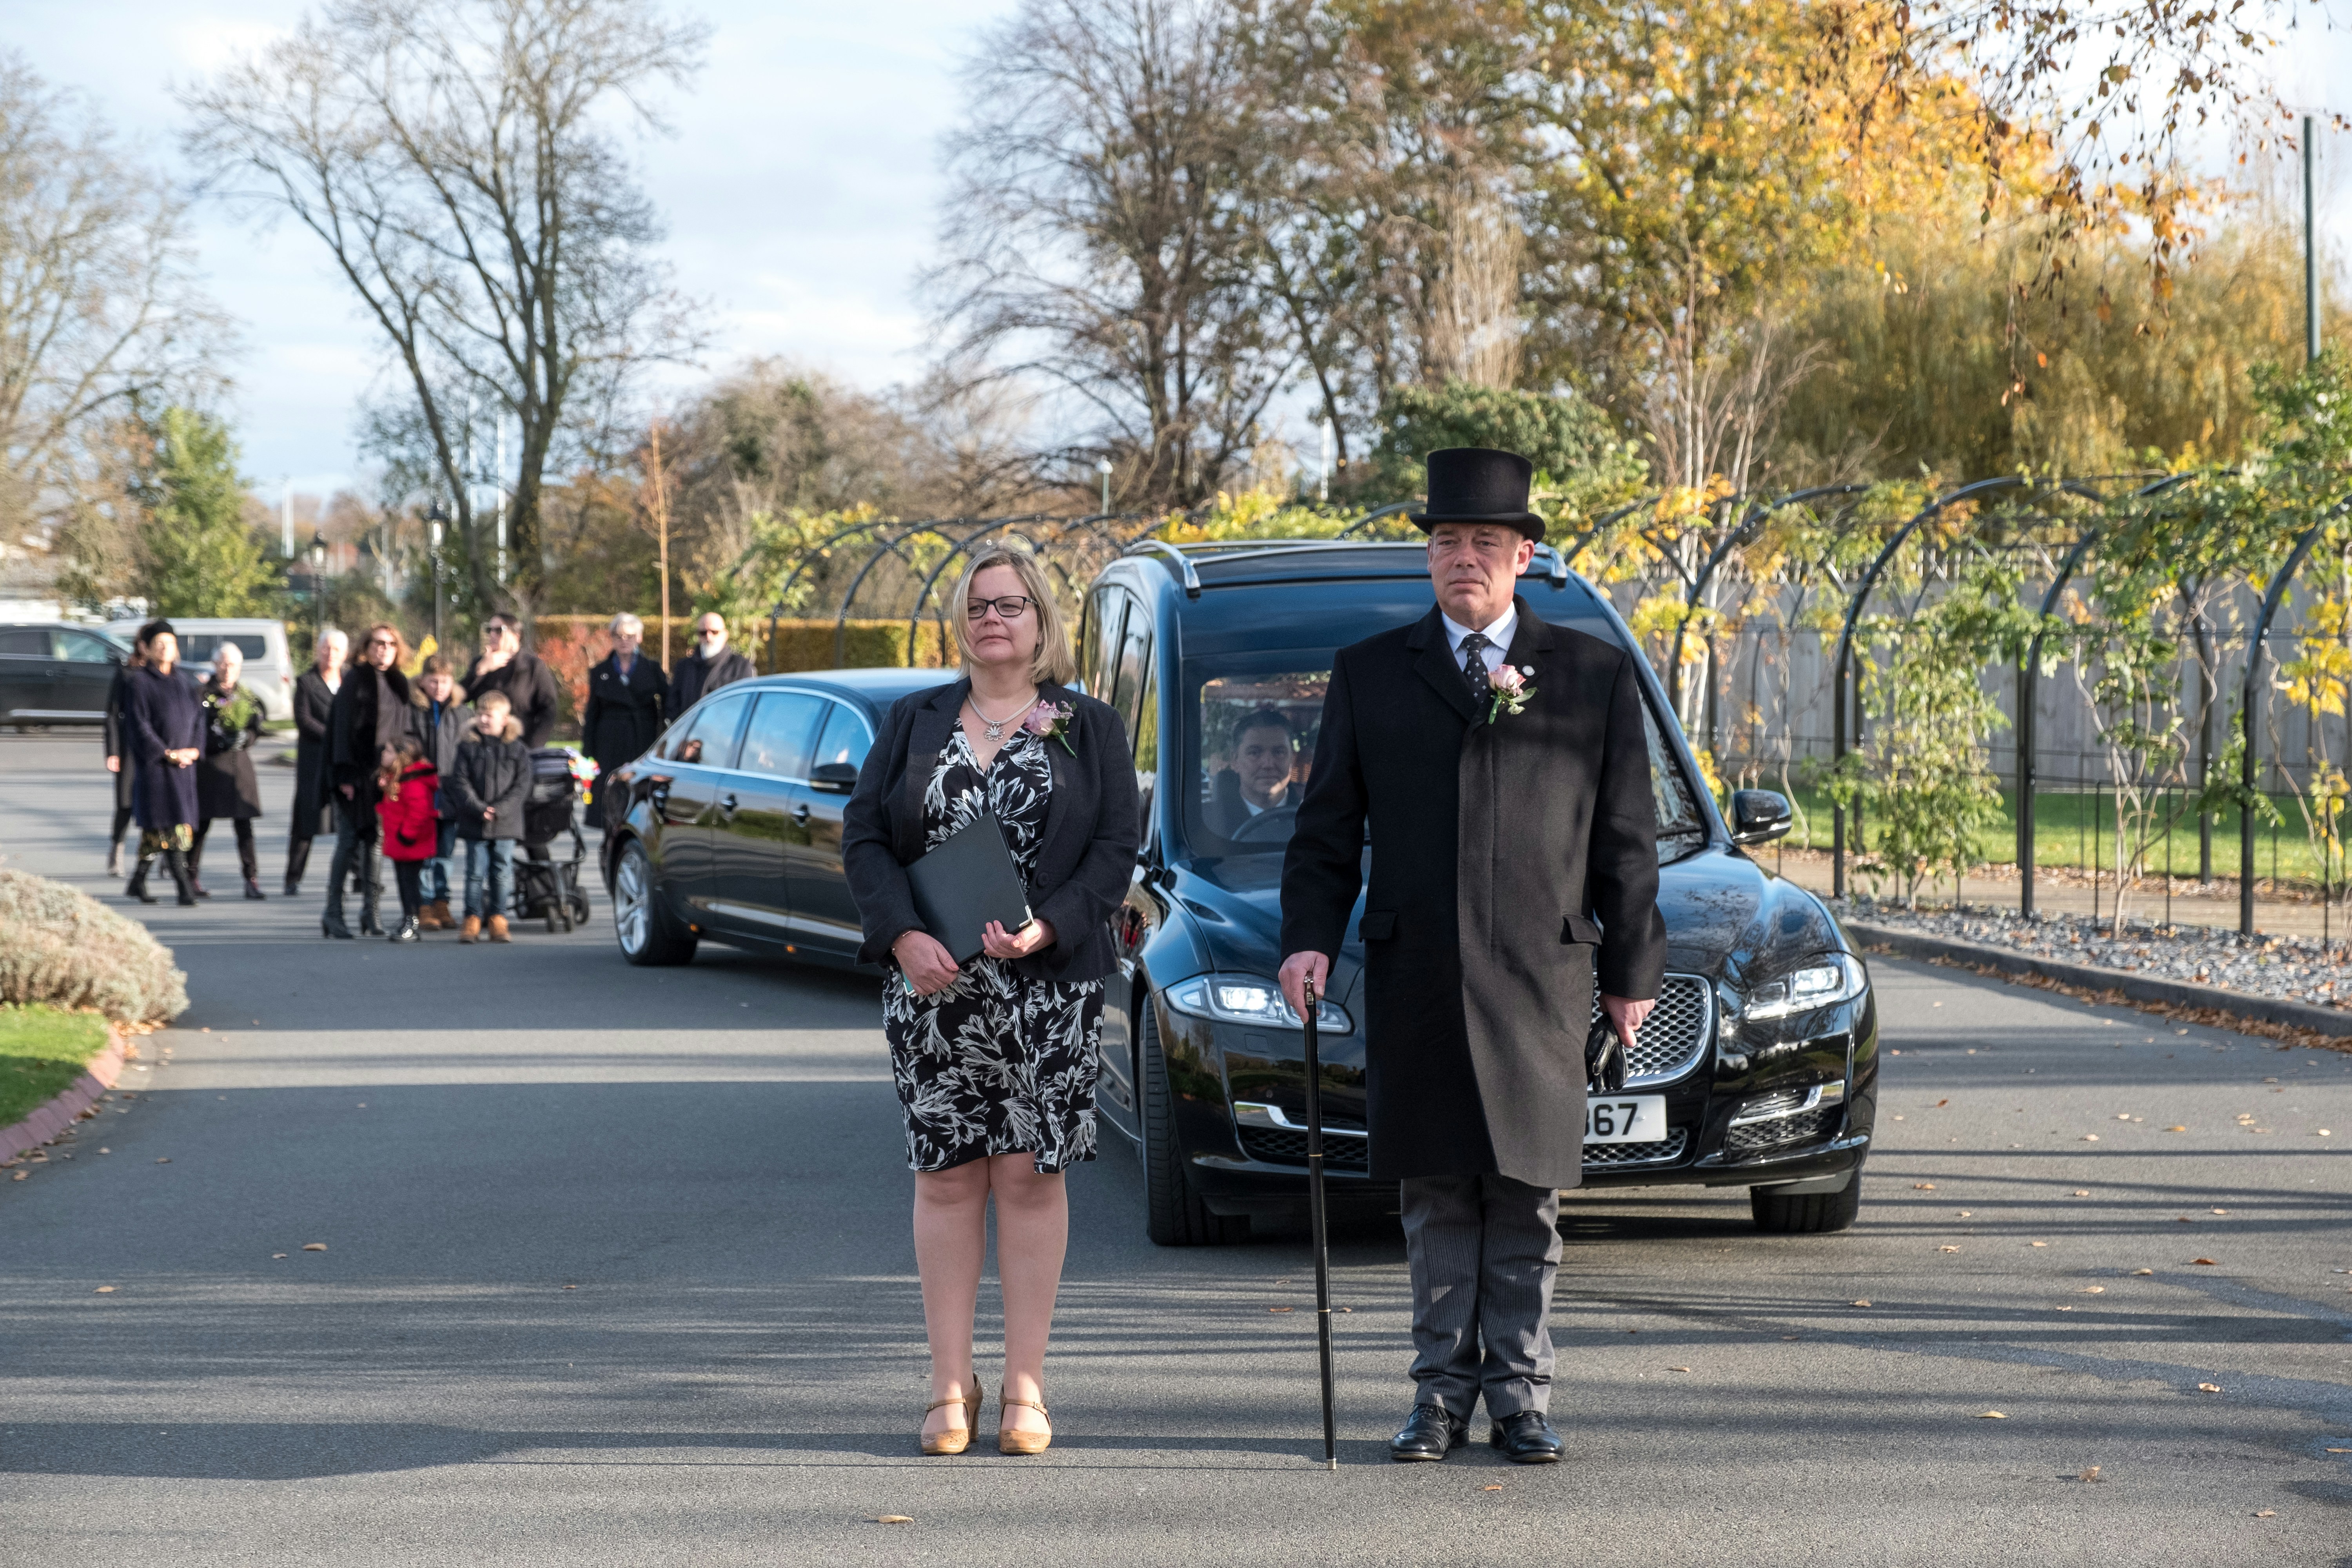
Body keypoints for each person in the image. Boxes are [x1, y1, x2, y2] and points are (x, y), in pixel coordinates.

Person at [1277, 447, 1666, 1466]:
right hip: (1418, 975)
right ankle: (1439, 1397)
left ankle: (1523, 1397)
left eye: (1483, 542)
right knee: (1436, 1189)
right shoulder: (1370, 674)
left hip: (1542, 973)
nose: (1462, 559)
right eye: (1447, 541)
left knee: (1527, 1192)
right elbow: (1326, 832)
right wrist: (1308, 941)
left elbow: (1625, 839)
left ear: (1523, 556)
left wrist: (1631, 974)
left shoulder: (1591, 674)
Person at [842, 547, 1138, 1459]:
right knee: (947, 1175)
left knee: (1028, 1175)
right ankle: (945, 1386)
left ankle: (1025, 1384)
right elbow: (863, 837)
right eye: (977, 606)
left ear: (1041, 620)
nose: (992, 619)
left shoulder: (1086, 725)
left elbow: (1116, 848)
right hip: (936, 992)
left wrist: (1049, 926)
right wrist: (901, 935)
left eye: (1010, 604)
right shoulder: (913, 720)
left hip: (1047, 990)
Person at [325, 624, 411, 939]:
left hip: (384, 778)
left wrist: (399, 761)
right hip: (354, 776)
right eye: (378, 643)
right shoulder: (355, 681)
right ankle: (333, 913)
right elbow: (341, 730)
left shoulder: (399, 683)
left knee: (376, 843)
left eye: (390, 644)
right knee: (348, 843)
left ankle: (370, 913)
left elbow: (405, 730)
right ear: (367, 646)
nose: (384, 649)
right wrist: (344, 775)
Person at [121, 620, 204, 907]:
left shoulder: (184, 681)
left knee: (159, 829)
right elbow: (139, 726)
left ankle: (137, 881)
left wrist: (194, 750)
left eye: (170, 643)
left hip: (184, 768)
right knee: (171, 827)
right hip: (158, 768)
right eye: (160, 644)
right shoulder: (140, 683)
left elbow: (199, 719)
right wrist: (167, 753)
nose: (166, 649)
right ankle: (184, 888)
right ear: (148, 649)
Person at [445, 688, 529, 944]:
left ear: (504, 719)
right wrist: (479, 808)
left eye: (489, 715)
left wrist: (500, 810)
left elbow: (522, 785)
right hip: (475, 821)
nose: (483, 719)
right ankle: (472, 919)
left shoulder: (516, 749)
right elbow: (459, 781)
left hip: (506, 822)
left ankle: (498, 919)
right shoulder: (468, 747)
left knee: (501, 872)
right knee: (474, 872)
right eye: (480, 714)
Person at [191, 643, 267, 900]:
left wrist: (246, 738)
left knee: (244, 827)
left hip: (239, 768)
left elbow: (257, 725)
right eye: (223, 663)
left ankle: (251, 879)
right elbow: (194, 728)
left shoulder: (245, 695)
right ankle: (191, 877)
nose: (227, 669)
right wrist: (218, 741)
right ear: (215, 665)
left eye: (233, 664)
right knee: (201, 825)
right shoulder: (202, 693)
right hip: (211, 767)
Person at [582, 612, 667, 828]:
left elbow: (668, 705)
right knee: (610, 798)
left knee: (639, 796)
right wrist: (588, 754)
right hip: (609, 741)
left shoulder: (652, 669)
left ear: (639, 638)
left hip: (642, 739)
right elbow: (592, 714)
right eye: (618, 636)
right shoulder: (601, 671)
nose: (624, 641)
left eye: (629, 636)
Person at [407, 654, 467, 928]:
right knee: (423, 852)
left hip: (451, 793)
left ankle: (442, 903)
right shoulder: (412, 711)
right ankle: (424, 904)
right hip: (421, 791)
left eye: (444, 682)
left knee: (445, 852)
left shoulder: (462, 713)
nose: (439, 687)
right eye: (434, 682)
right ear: (423, 682)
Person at [287, 629, 348, 896]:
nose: (330, 654)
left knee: (350, 819)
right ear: (318, 650)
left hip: (344, 761)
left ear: (344, 654)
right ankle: (293, 877)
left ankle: (356, 875)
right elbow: (304, 719)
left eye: (336, 649)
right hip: (314, 762)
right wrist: (334, 735)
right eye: (326, 648)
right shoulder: (306, 682)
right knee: (306, 821)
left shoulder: (350, 682)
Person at [375, 735, 440, 943]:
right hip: (400, 843)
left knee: (409, 884)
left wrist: (406, 835)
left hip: (410, 843)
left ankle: (412, 922)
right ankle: (407, 918)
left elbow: (419, 812)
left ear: (401, 757)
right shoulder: (399, 778)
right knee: (403, 883)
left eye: (388, 751)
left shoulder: (414, 783)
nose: (383, 754)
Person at [461, 612, 560, 749]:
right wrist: (481, 670)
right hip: (484, 748)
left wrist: (534, 746)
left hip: (520, 747)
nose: (492, 635)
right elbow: (461, 698)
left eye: (499, 630)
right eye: (489, 630)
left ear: (516, 635)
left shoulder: (533, 666)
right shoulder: (481, 663)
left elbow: (549, 708)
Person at [1204, 707, 1298, 837]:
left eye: (1279, 752)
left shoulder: (1316, 819)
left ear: (1292, 759)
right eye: (1255, 753)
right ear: (1235, 760)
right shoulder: (1207, 824)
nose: (1268, 764)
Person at [102, 632, 147, 877]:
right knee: (125, 803)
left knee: (158, 802)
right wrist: (113, 751)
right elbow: (112, 714)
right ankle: (116, 851)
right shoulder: (127, 673)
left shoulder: (166, 676)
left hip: (157, 748)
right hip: (129, 747)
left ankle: (159, 857)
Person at [667, 611, 754, 715]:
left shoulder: (740, 666)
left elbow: (745, 705)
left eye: (715, 632)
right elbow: (673, 704)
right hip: (690, 729)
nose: (709, 637)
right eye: (703, 633)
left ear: (725, 635)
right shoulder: (684, 667)